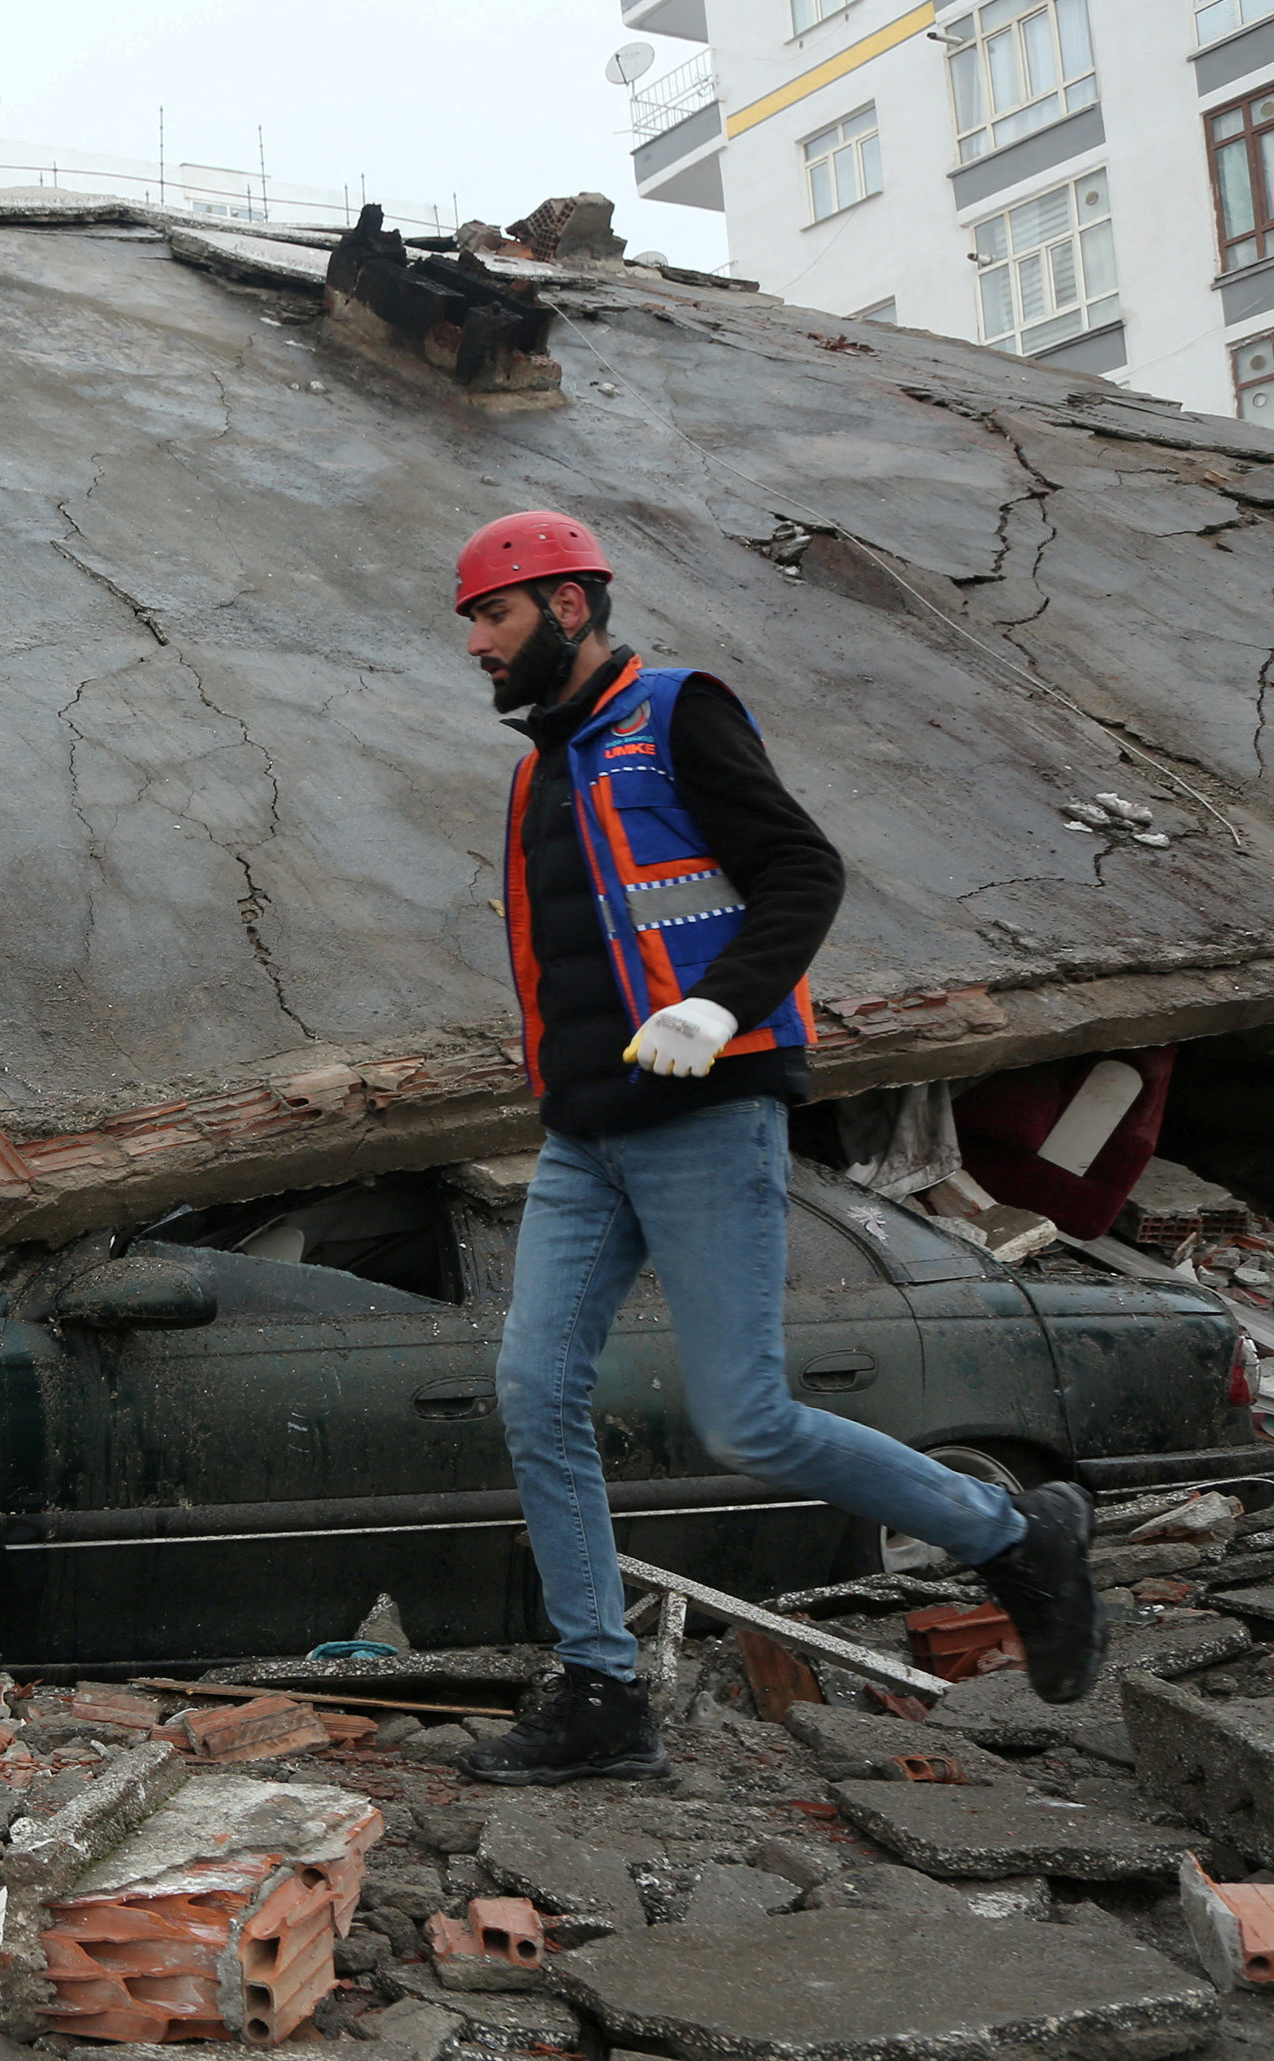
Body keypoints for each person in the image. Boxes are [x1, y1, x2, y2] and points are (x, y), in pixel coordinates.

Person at [449, 510, 1102, 1786]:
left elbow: (799, 870)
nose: (475, 642)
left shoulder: (679, 711)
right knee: (534, 1390)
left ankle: (1014, 1531)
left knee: (743, 1416)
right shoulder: (541, 767)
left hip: (705, 1113)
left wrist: (718, 1005)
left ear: (567, 606)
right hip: (585, 1137)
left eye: (491, 614)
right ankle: (599, 1689)